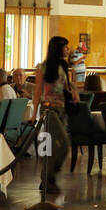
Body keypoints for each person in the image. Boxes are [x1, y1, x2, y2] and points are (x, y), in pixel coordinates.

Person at [34, 37, 74, 195]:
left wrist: (74, 92)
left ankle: (47, 179)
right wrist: (35, 112)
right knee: (61, 144)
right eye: (65, 47)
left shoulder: (63, 66)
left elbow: (66, 86)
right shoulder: (43, 67)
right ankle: (49, 177)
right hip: (48, 110)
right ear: (58, 48)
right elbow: (38, 91)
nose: (68, 50)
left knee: (52, 147)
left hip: (62, 109)